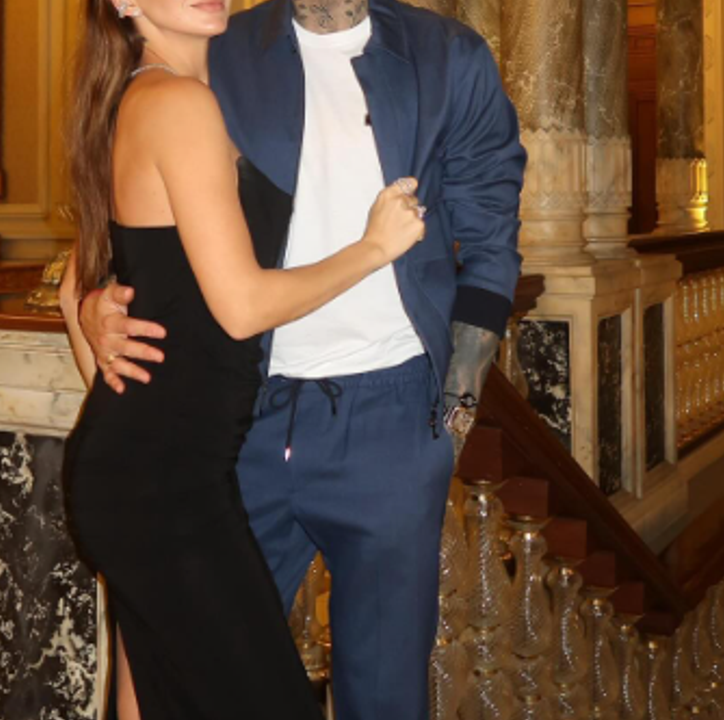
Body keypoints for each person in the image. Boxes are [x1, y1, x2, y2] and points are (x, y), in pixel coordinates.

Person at [75, 0, 525, 717]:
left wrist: (455, 412)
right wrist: (95, 302)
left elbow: (492, 235)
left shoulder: (448, 56)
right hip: (241, 426)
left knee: (382, 695)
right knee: (181, 675)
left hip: (388, 419)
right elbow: (124, 220)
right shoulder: (216, 52)